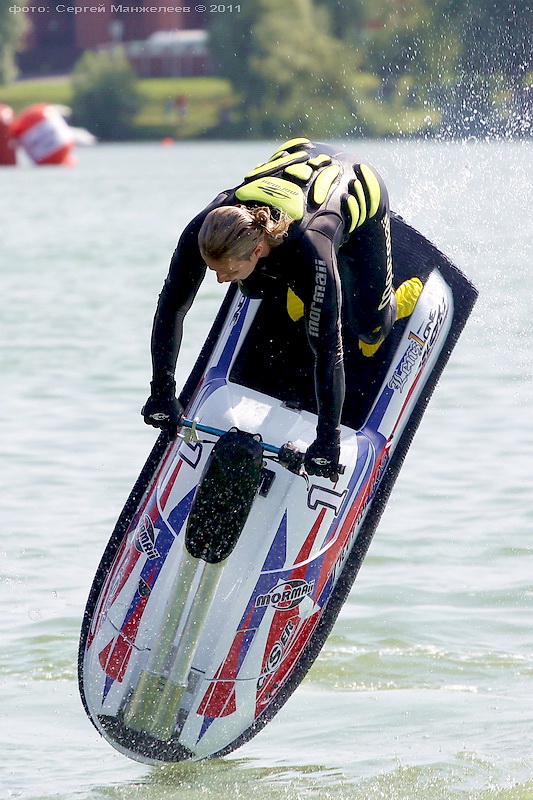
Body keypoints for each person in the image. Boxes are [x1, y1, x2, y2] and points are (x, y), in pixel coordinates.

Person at [142, 137, 422, 481]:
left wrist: (327, 440)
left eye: (226, 269)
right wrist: (161, 392)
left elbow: (329, 351)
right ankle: (292, 290)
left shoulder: (312, 249)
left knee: (368, 330)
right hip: (297, 155)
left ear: (258, 248)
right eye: (213, 268)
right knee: (253, 287)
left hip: (358, 187)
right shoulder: (204, 226)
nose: (218, 280)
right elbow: (171, 309)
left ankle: (398, 297)